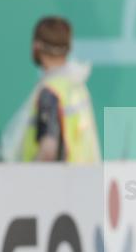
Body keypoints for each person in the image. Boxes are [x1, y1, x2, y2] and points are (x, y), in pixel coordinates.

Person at [21, 16, 101, 163]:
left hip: (60, 183)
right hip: (85, 181)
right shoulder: (77, 87)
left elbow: (48, 149)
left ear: (36, 46)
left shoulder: (50, 91)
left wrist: (26, 178)